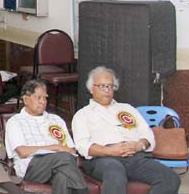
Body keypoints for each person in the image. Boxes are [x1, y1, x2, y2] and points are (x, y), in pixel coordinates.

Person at [71, 66, 180, 194]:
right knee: (115, 171)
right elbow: (82, 146)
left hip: (134, 156)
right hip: (102, 159)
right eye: (102, 86)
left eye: (110, 86)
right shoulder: (83, 114)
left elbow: (148, 135)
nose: (107, 90)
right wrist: (110, 151)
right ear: (91, 89)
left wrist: (139, 145)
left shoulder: (127, 109)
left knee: (170, 178)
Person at [5, 79, 88, 194]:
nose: (43, 102)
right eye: (38, 97)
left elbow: (71, 149)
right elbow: (22, 152)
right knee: (63, 157)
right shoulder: (15, 121)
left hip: (60, 164)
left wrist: (61, 150)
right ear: (25, 99)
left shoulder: (56, 120)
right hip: (31, 167)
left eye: (45, 98)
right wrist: (55, 147)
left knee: (62, 177)